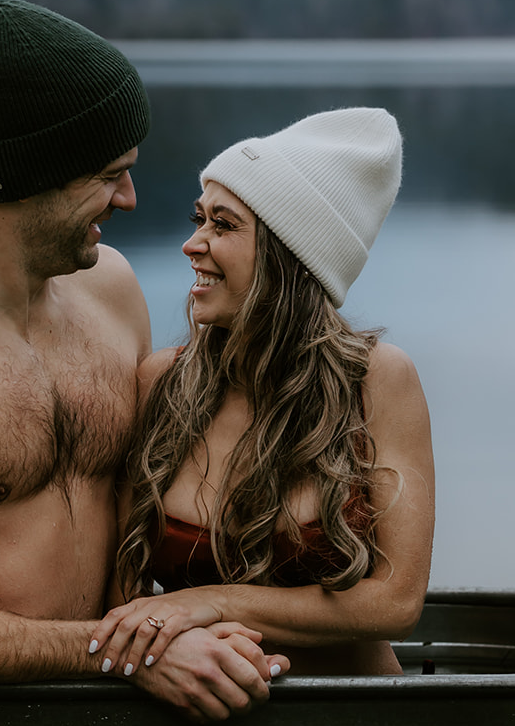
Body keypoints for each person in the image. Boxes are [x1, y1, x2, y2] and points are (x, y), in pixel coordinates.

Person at [0, 0, 280, 720]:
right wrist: (126, 653)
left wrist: (185, 627)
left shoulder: (112, 289)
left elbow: (134, 514)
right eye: (107, 174)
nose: (127, 198)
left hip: (104, 713)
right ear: (34, 171)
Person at [88, 107, 434, 678]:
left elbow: (396, 604)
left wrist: (214, 602)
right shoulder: (161, 385)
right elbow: (122, 593)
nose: (192, 245)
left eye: (222, 226)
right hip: (190, 723)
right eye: (199, 219)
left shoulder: (376, 381)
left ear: (290, 256)